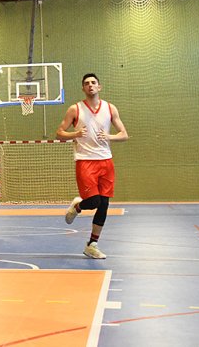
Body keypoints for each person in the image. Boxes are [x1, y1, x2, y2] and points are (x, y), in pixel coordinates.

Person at [57, 73, 129, 259]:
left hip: (106, 160)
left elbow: (124, 134)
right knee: (94, 201)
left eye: (93, 83)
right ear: (83, 88)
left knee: (104, 204)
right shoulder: (75, 109)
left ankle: (92, 244)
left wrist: (110, 137)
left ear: (99, 87)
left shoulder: (110, 108)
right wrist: (75, 134)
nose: (90, 85)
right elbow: (59, 133)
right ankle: (78, 207)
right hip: (85, 160)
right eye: (87, 83)